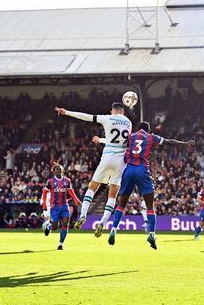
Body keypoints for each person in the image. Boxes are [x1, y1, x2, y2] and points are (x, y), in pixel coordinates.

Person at [106, 122, 195, 249]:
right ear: (148, 130)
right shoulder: (150, 137)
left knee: (121, 204)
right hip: (142, 170)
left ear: (138, 129)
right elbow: (169, 141)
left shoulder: (130, 136)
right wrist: (185, 143)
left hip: (129, 169)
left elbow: (117, 145)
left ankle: (113, 229)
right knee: (149, 205)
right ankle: (152, 234)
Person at [54, 102, 132, 238]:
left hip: (108, 156)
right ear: (123, 112)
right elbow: (121, 141)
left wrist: (66, 112)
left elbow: (86, 117)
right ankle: (102, 223)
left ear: (112, 111)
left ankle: (83, 215)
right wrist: (101, 140)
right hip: (121, 161)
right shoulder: (128, 123)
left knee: (92, 187)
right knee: (113, 194)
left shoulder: (108, 118)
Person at [42, 164, 82, 250]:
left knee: (65, 224)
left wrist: (76, 200)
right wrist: (44, 205)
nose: (58, 170)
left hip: (64, 206)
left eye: (60, 169)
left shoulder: (67, 181)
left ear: (62, 170)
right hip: (54, 207)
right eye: (57, 169)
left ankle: (60, 244)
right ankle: (48, 227)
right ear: (53, 171)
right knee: (55, 227)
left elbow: (70, 191)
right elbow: (45, 192)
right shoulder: (50, 182)